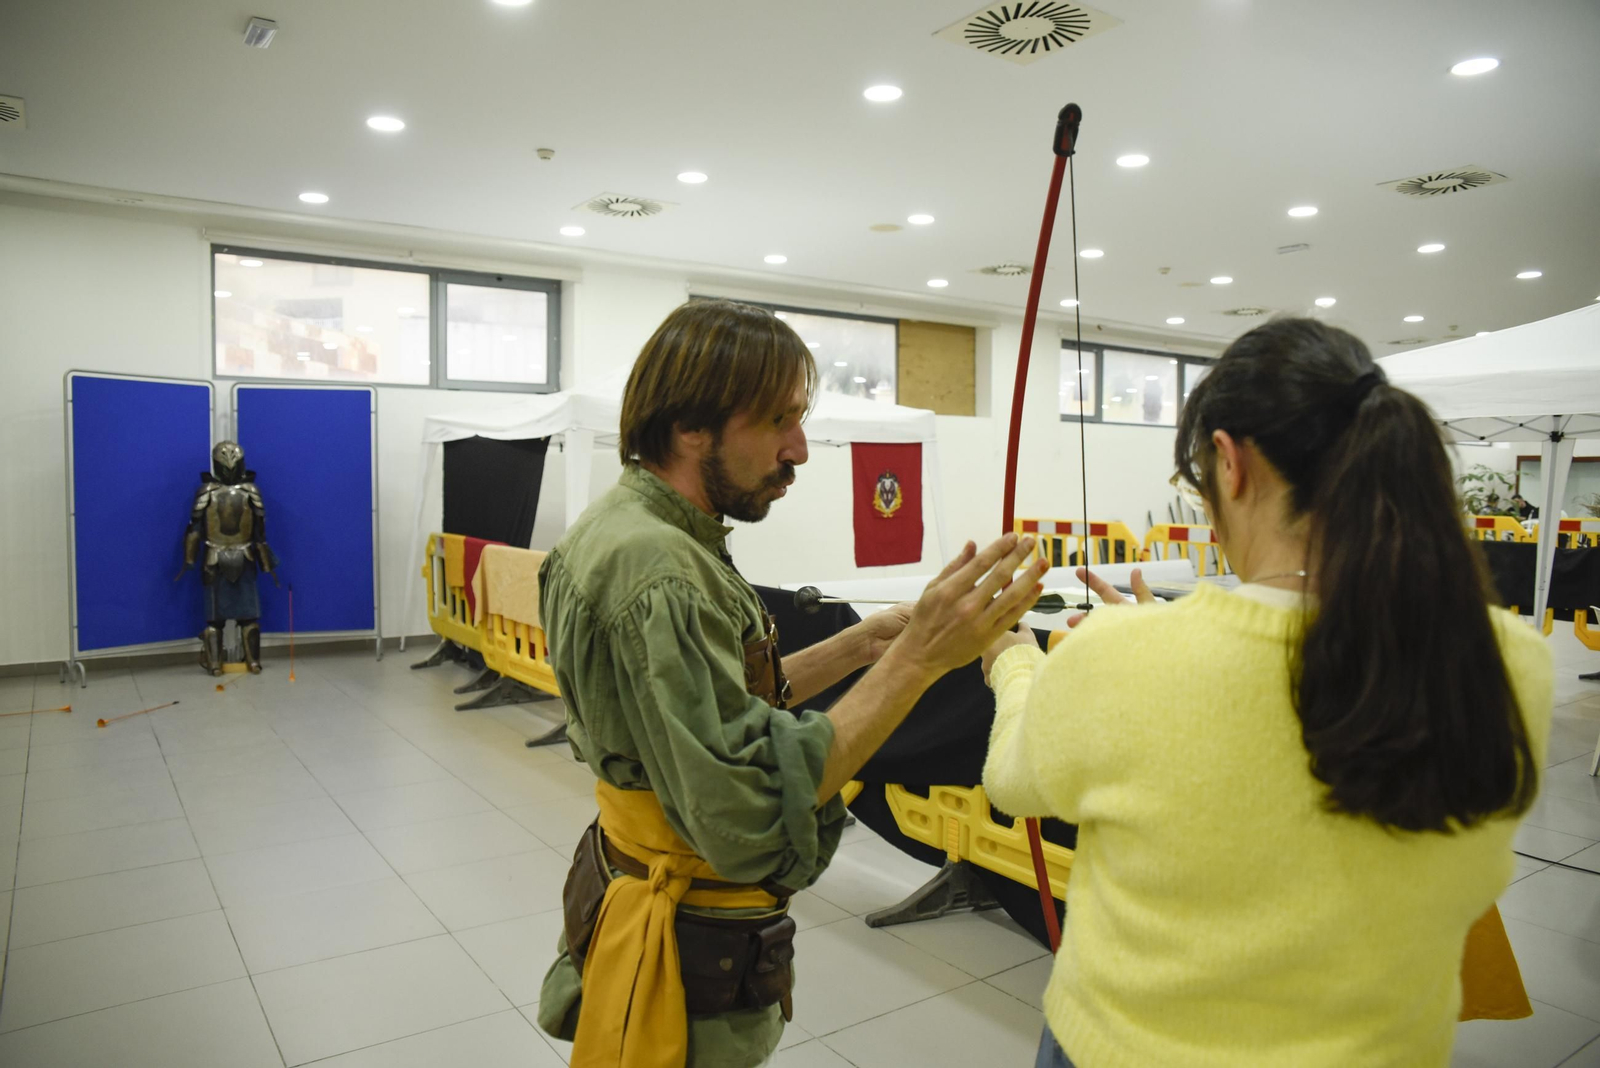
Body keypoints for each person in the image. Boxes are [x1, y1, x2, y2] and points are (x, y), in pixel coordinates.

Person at [981, 317, 1551, 1068]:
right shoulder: (1512, 660)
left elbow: (1012, 783)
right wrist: (1163, 641)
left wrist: (1013, 660)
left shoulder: (1121, 657)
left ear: (1230, 461)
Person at [535, 299, 1046, 1068]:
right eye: (777, 422)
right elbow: (742, 807)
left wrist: (859, 648)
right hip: (684, 950)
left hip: (645, 902)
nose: (800, 450)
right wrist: (917, 663)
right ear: (689, 428)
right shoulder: (661, 571)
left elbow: (709, 708)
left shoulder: (630, 532)